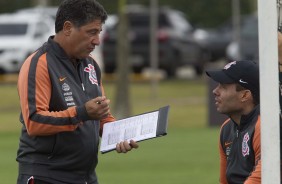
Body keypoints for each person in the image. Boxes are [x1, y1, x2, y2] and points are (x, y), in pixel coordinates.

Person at [16, 0, 138, 184]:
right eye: (92, 32)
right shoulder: (39, 63)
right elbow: (34, 121)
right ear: (68, 28)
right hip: (46, 176)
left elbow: (101, 115)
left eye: (99, 33)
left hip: (85, 176)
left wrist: (119, 135)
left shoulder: (91, 65)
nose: (97, 40)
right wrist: (81, 113)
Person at [206, 60, 261, 183]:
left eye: (223, 87)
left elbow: (260, 179)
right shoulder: (226, 129)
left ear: (244, 95)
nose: (215, 91)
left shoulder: (263, 127)